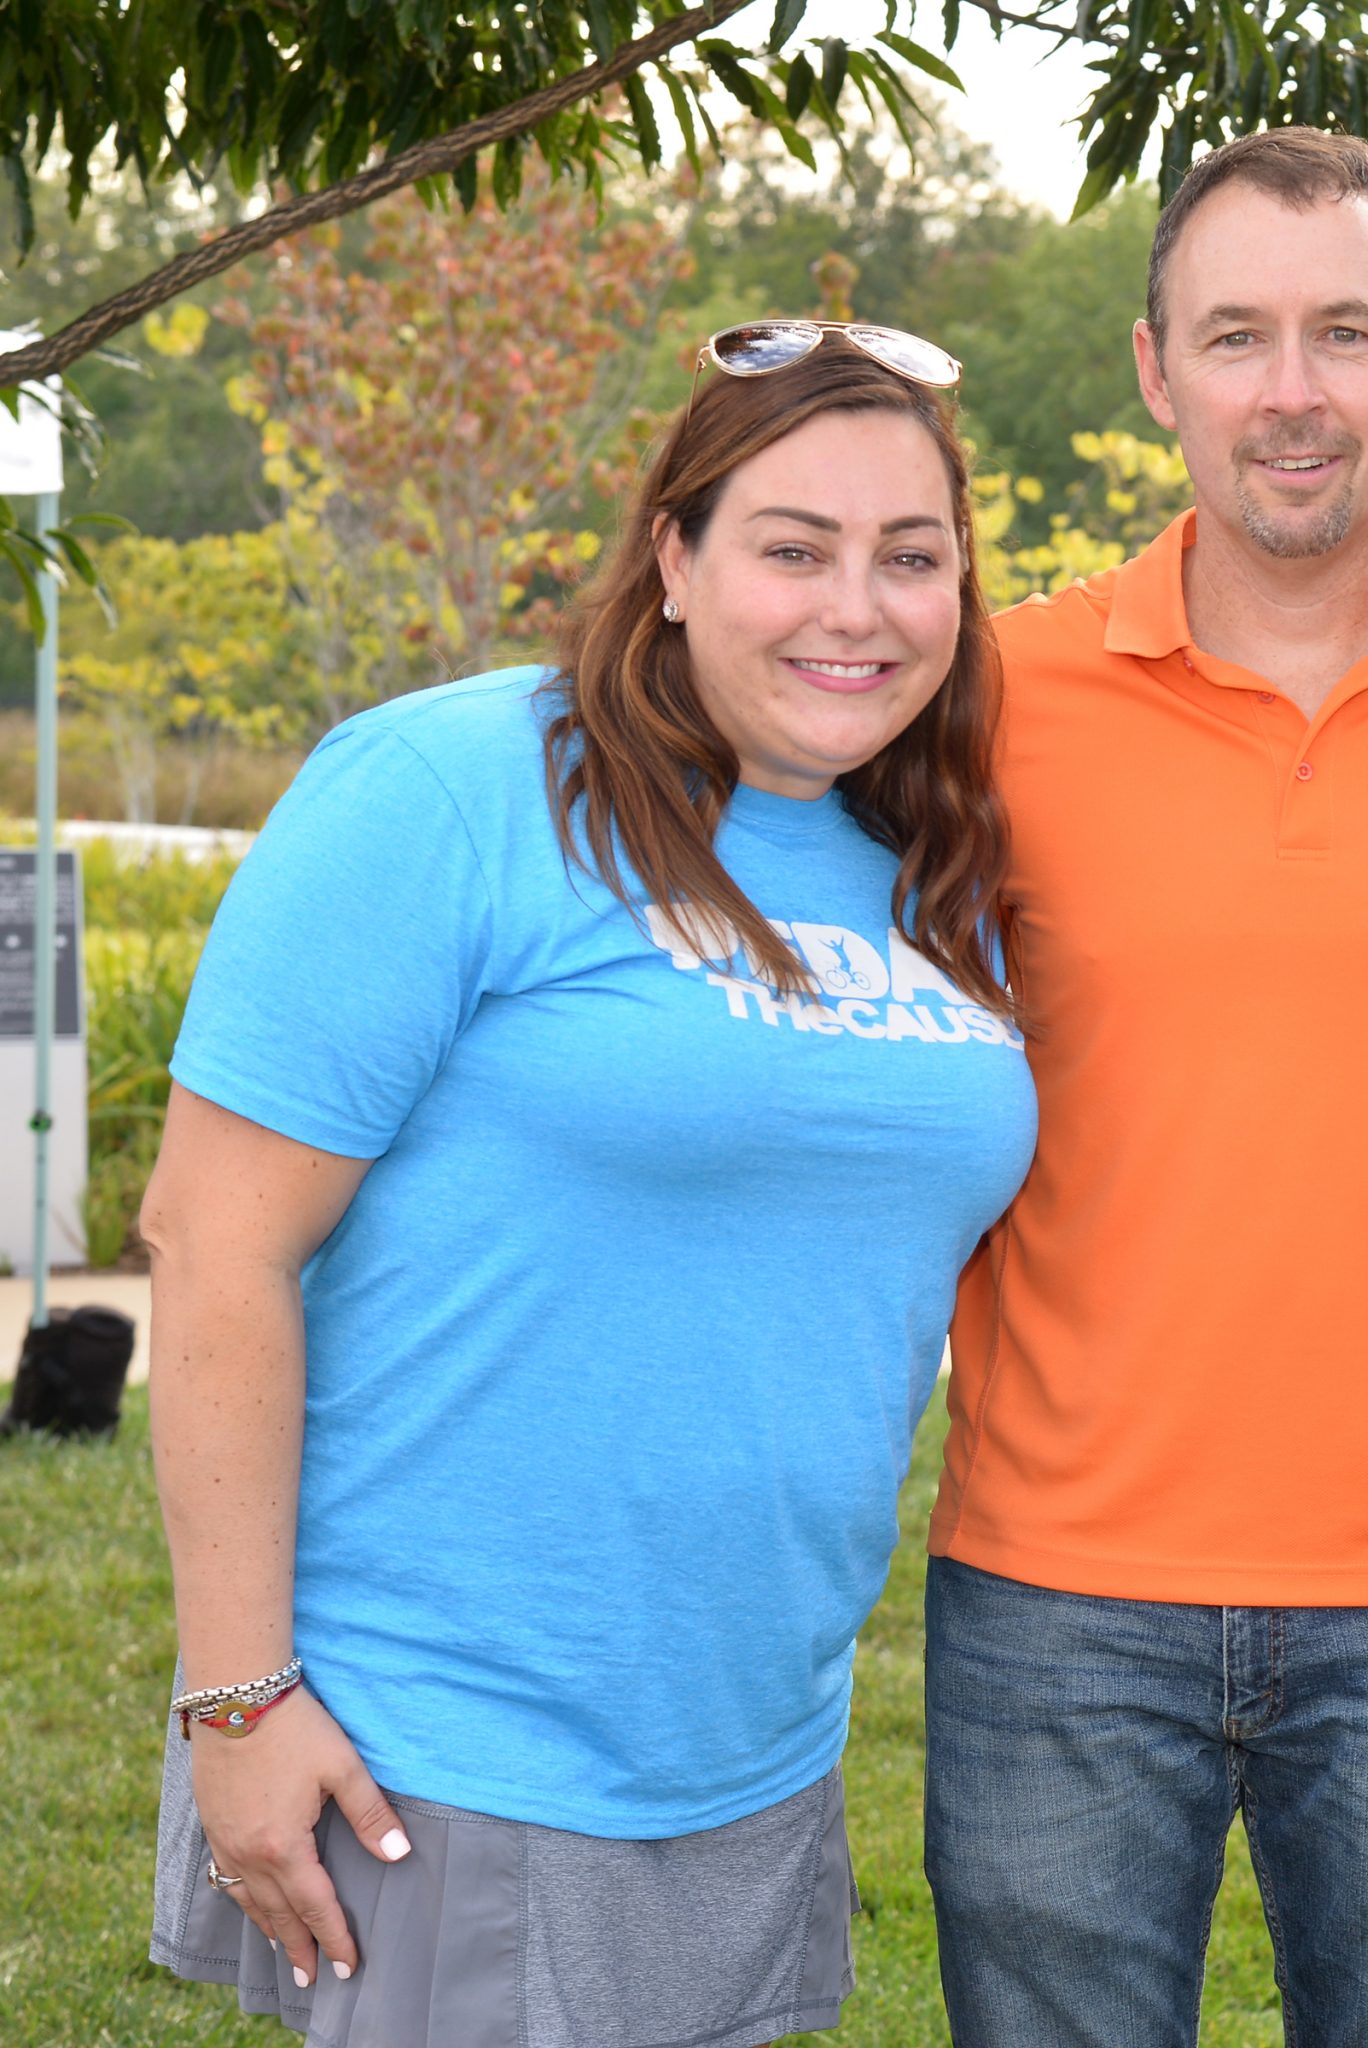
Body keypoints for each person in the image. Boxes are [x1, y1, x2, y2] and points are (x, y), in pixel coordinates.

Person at [144, 325, 1035, 2048]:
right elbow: (213, 1241)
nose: (857, 609)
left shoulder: (934, 863)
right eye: (794, 548)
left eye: (912, 557)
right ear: (676, 559)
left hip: (749, 1747)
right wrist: (239, 1697)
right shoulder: (456, 786)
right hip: (449, 1739)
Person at [921, 129, 1368, 2046]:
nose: (1293, 390)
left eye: (1346, 331)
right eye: (1236, 335)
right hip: (1057, 1583)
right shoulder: (998, 692)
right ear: (1156, 371)